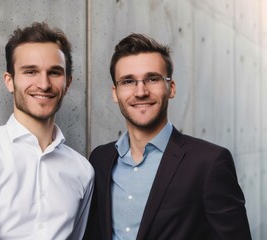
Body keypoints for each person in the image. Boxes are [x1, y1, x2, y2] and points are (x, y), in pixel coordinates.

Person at [83, 33, 251, 240]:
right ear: (115, 93)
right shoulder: (100, 159)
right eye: (128, 81)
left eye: (152, 79)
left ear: (171, 88)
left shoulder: (209, 162)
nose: (140, 91)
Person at [0, 22, 94, 240]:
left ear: (67, 83)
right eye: (31, 72)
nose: (44, 84)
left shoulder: (83, 171)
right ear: (10, 81)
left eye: (54, 73)